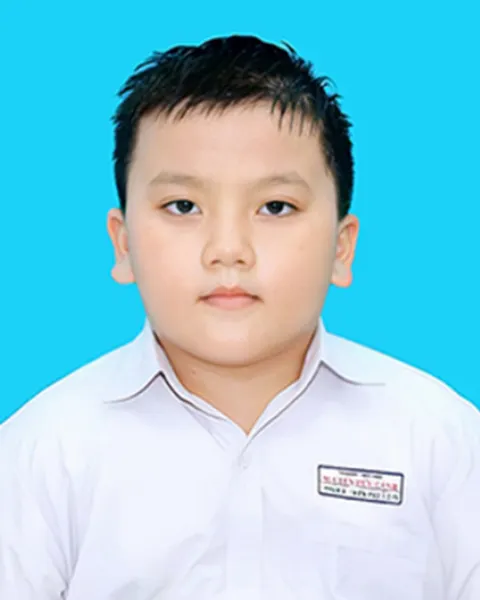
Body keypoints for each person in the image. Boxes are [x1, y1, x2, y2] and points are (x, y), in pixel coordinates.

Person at [0, 34, 478, 600]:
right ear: (123, 243)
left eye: (275, 207)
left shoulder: (442, 440)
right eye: (183, 206)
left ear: (342, 247)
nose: (228, 249)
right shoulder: (40, 453)